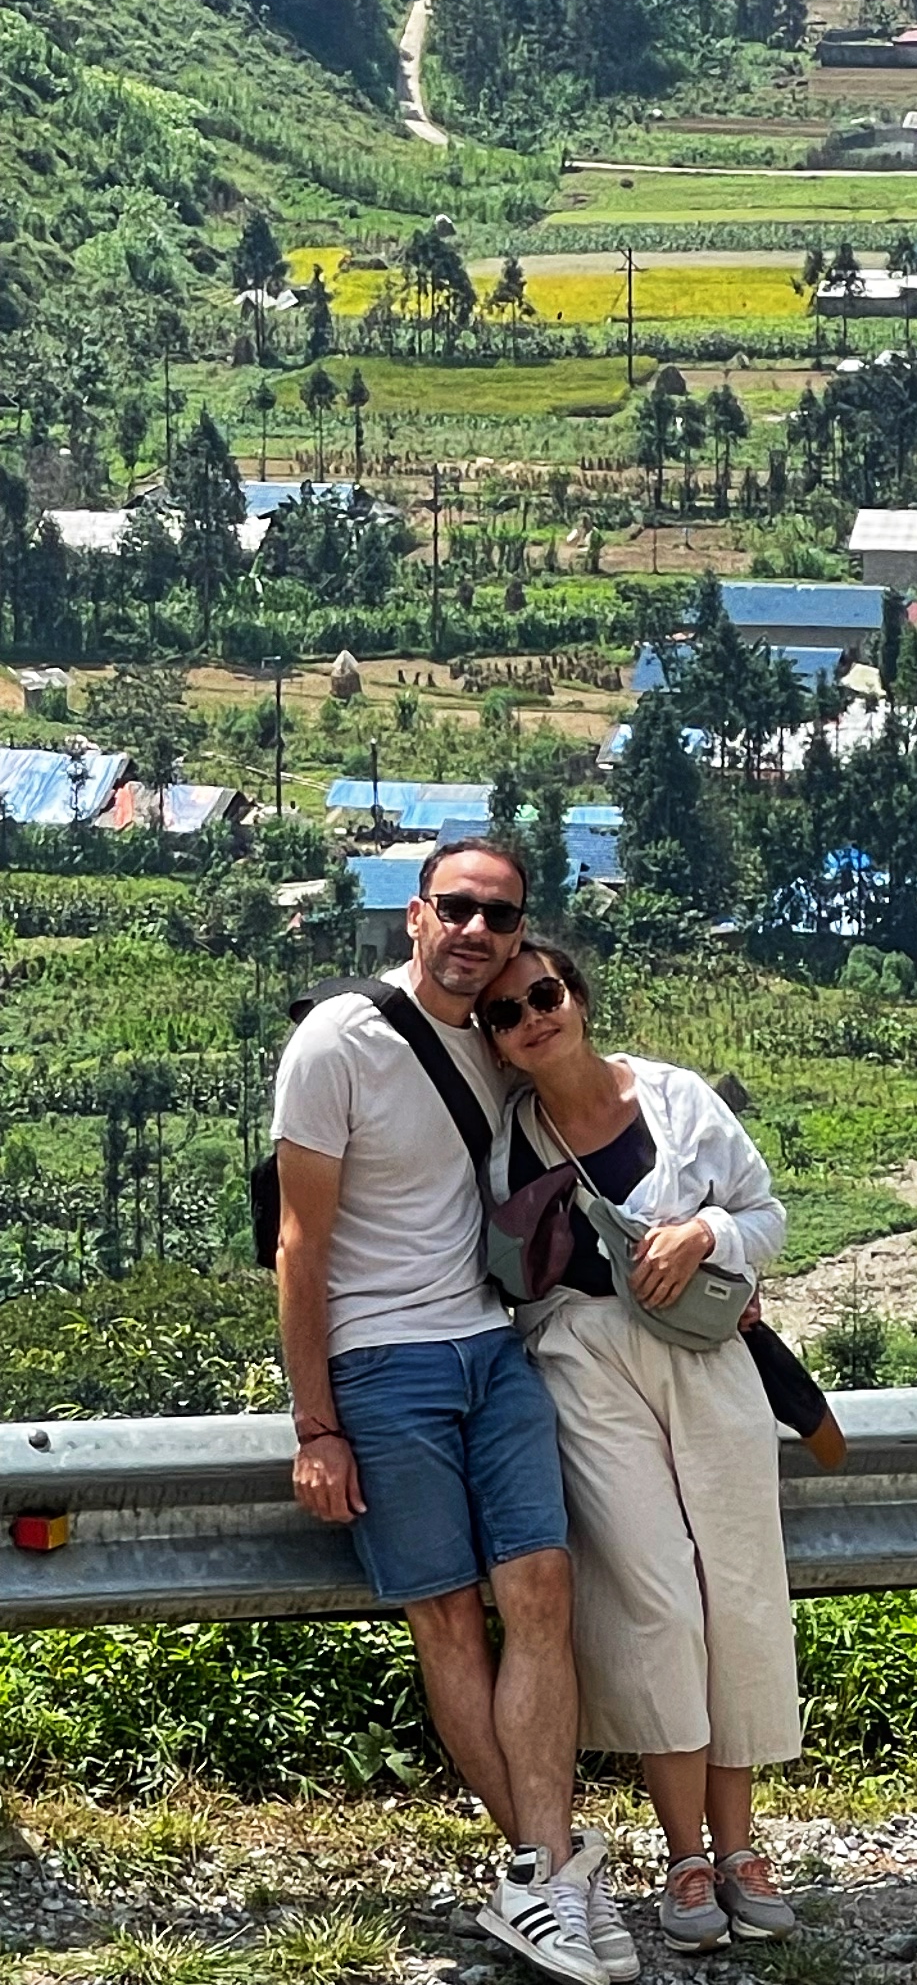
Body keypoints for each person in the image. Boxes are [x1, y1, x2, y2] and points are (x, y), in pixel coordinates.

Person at [272, 840, 620, 1985]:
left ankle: (546, 1877)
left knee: (542, 1590)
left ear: (522, 934)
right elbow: (300, 1243)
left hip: (490, 1346)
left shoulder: (502, 1040)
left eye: (501, 915)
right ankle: (545, 1870)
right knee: (450, 1619)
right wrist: (315, 1426)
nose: (478, 931)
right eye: (458, 908)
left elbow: (598, 1103)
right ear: (416, 915)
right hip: (381, 1366)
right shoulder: (337, 1042)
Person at [478, 938, 805, 1954]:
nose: (533, 1017)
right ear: (495, 1040)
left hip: (705, 1356)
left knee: (737, 1590)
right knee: (656, 1596)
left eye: (545, 993)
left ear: (577, 996)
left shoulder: (673, 1100)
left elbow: (765, 1213)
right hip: (581, 1363)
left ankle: (742, 1846)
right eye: (505, 1012)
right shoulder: (506, 1140)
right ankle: (686, 1856)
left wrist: (706, 1235)